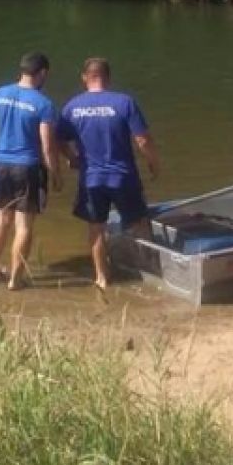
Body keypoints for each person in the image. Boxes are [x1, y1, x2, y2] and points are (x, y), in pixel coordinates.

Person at [58, 57, 160, 290]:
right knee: (140, 223)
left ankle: (102, 278)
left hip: (91, 178)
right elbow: (142, 139)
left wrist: (72, 158)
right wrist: (154, 162)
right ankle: (150, 272)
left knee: (96, 227)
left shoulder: (72, 106)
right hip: (123, 176)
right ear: (109, 78)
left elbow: (58, 139)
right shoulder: (124, 102)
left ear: (85, 78)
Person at [0, 51, 62, 290]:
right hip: (28, 167)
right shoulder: (43, 103)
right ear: (42, 73)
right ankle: (15, 279)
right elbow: (46, 145)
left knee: (1, 218)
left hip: (1, 164)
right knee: (23, 225)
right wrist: (55, 174)